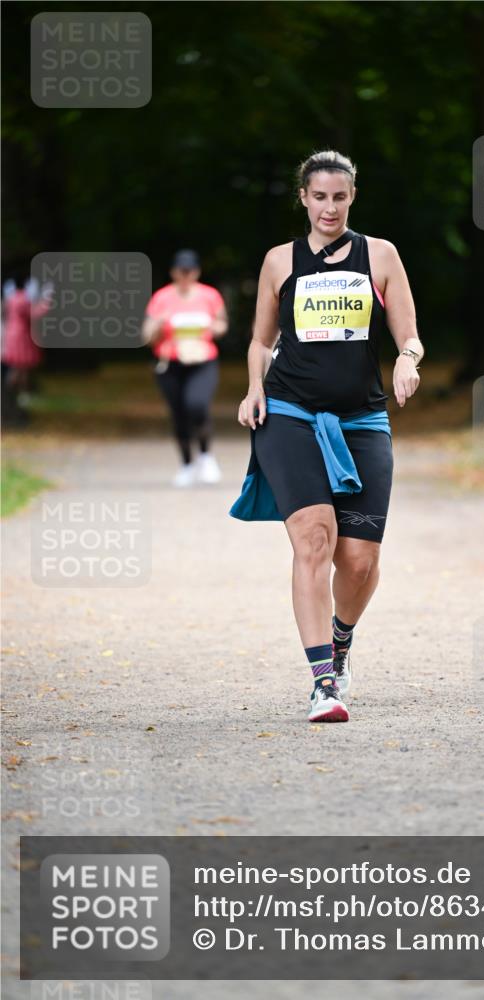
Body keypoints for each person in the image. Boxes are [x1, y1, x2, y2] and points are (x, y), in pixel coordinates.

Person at [230, 150, 423, 723]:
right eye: (319, 197)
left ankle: (341, 641)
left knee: (359, 560)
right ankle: (322, 683)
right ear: (304, 198)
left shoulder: (380, 255)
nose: (329, 208)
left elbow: (411, 336)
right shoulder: (279, 261)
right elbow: (261, 341)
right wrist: (254, 388)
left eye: (339, 197)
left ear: (352, 197)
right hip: (289, 414)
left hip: (362, 418)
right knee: (314, 539)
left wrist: (407, 360)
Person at [142, 249, 229, 487]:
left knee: (197, 404)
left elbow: (222, 324)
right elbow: (147, 336)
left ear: (197, 272)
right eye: (181, 271)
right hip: (170, 363)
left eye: (190, 271)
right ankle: (187, 464)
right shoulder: (162, 298)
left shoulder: (209, 295)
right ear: (173, 273)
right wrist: (158, 325)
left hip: (202, 360)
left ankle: (206, 455)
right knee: (178, 413)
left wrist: (214, 327)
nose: (185, 276)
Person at [1, 276, 52, 427]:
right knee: (21, 366)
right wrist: (47, 298)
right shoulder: (23, 300)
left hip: (12, 335)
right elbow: (36, 313)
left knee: (18, 366)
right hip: (21, 336)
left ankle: (18, 393)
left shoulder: (11, 298)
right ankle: (18, 394)